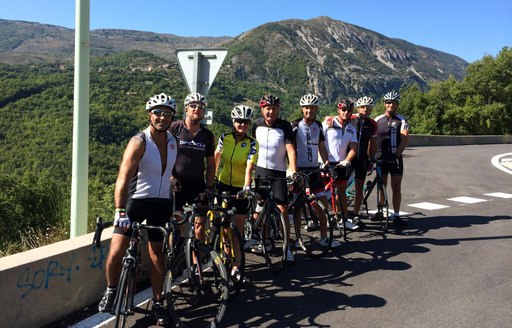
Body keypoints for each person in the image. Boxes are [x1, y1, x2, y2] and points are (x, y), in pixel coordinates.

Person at [98, 93, 178, 326]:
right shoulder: (139, 141)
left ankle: (159, 302)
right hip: (136, 202)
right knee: (115, 252)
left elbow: (165, 171)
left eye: (167, 113)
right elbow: (122, 178)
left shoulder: (174, 141)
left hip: (161, 203)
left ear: (172, 116)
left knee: (157, 257)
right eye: (158, 113)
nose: (162, 117)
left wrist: (172, 181)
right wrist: (120, 211)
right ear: (149, 114)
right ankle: (111, 289)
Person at [291, 93, 341, 248]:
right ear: (302, 109)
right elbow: (289, 148)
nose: (309, 110)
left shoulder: (318, 125)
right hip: (299, 170)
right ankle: (299, 239)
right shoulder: (294, 124)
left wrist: (326, 162)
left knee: (323, 205)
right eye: (306, 108)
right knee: (298, 208)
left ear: (316, 109)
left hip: (314, 170)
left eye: (312, 108)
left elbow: (321, 146)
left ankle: (324, 238)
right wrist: (292, 169)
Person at [214, 105, 258, 278]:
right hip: (224, 185)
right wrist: (211, 181)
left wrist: (246, 187)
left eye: (246, 122)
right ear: (233, 122)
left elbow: (249, 168)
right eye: (239, 121)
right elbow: (216, 161)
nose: (242, 124)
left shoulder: (252, 143)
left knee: (237, 229)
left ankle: (237, 265)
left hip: (241, 188)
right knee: (225, 227)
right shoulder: (224, 138)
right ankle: (226, 257)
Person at [252, 94, 297, 262]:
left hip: (278, 172)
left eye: (273, 109)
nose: (270, 112)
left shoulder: (284, 126)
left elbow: (291, 151)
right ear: (262, 109)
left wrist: (293, 171)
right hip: (261, 171)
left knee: (283, 209)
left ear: (278, 109)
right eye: (267, 108)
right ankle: (266, 242)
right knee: (262, 208)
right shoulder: (256, 125)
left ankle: (287, 247)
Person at [169, 92, 216, 241]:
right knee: (175, 226)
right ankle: (172, 260)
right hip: (177, 185)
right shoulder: (174, 128)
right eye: (193, 106)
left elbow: (210, 164)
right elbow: (163, 155)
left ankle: (197, 263)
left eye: (201, 107)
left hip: (198, 186)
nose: (197, 109)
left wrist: (209, 187)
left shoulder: (207, 135)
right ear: (186, 109)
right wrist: (169, 177)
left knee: (199, 226)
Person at [322, 98, 359, 230]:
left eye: (349, 110)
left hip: (341, 164)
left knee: (341, 192)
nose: (346, 112)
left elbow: (354, 147)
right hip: (326, 163)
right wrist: (323, 160)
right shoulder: (328, 123)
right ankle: (324, 218)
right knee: (322, 193)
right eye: (343, 110)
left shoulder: (351, 128)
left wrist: (347, 160)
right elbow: (320, 142)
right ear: (338, 110)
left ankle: (343, 219)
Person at [374, 91, 409, 226]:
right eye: (388, 103)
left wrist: (396, 155)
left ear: (397, 105)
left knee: (396, 187)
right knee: (382, 186)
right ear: (384, 104)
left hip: (395, 159)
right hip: (381, 158)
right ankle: (380, 211)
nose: (390, 105)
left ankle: (396, 215)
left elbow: (404, 140)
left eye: (393, 103)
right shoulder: (378, 120)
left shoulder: (402, 120)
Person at [350, 96, 377, 226]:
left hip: (362, 159)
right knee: (340, 187)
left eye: (367, 108)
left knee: (359, 188)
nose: (365, 110)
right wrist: (328, 119)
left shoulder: (372, 124)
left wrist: (371, 160)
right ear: (358, 108)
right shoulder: (351, 119)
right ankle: (341, 215)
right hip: (348, 158)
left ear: (371, 109)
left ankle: (355, 215)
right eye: (362, 107)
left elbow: (373, 143)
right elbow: (334, 118)